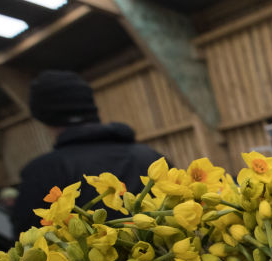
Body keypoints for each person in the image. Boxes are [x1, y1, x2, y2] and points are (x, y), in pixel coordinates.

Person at [12, 70, 164, 239]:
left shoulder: (42, 171)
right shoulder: (151, 157)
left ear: (40, 116)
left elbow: (27, 239)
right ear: (91, 106)